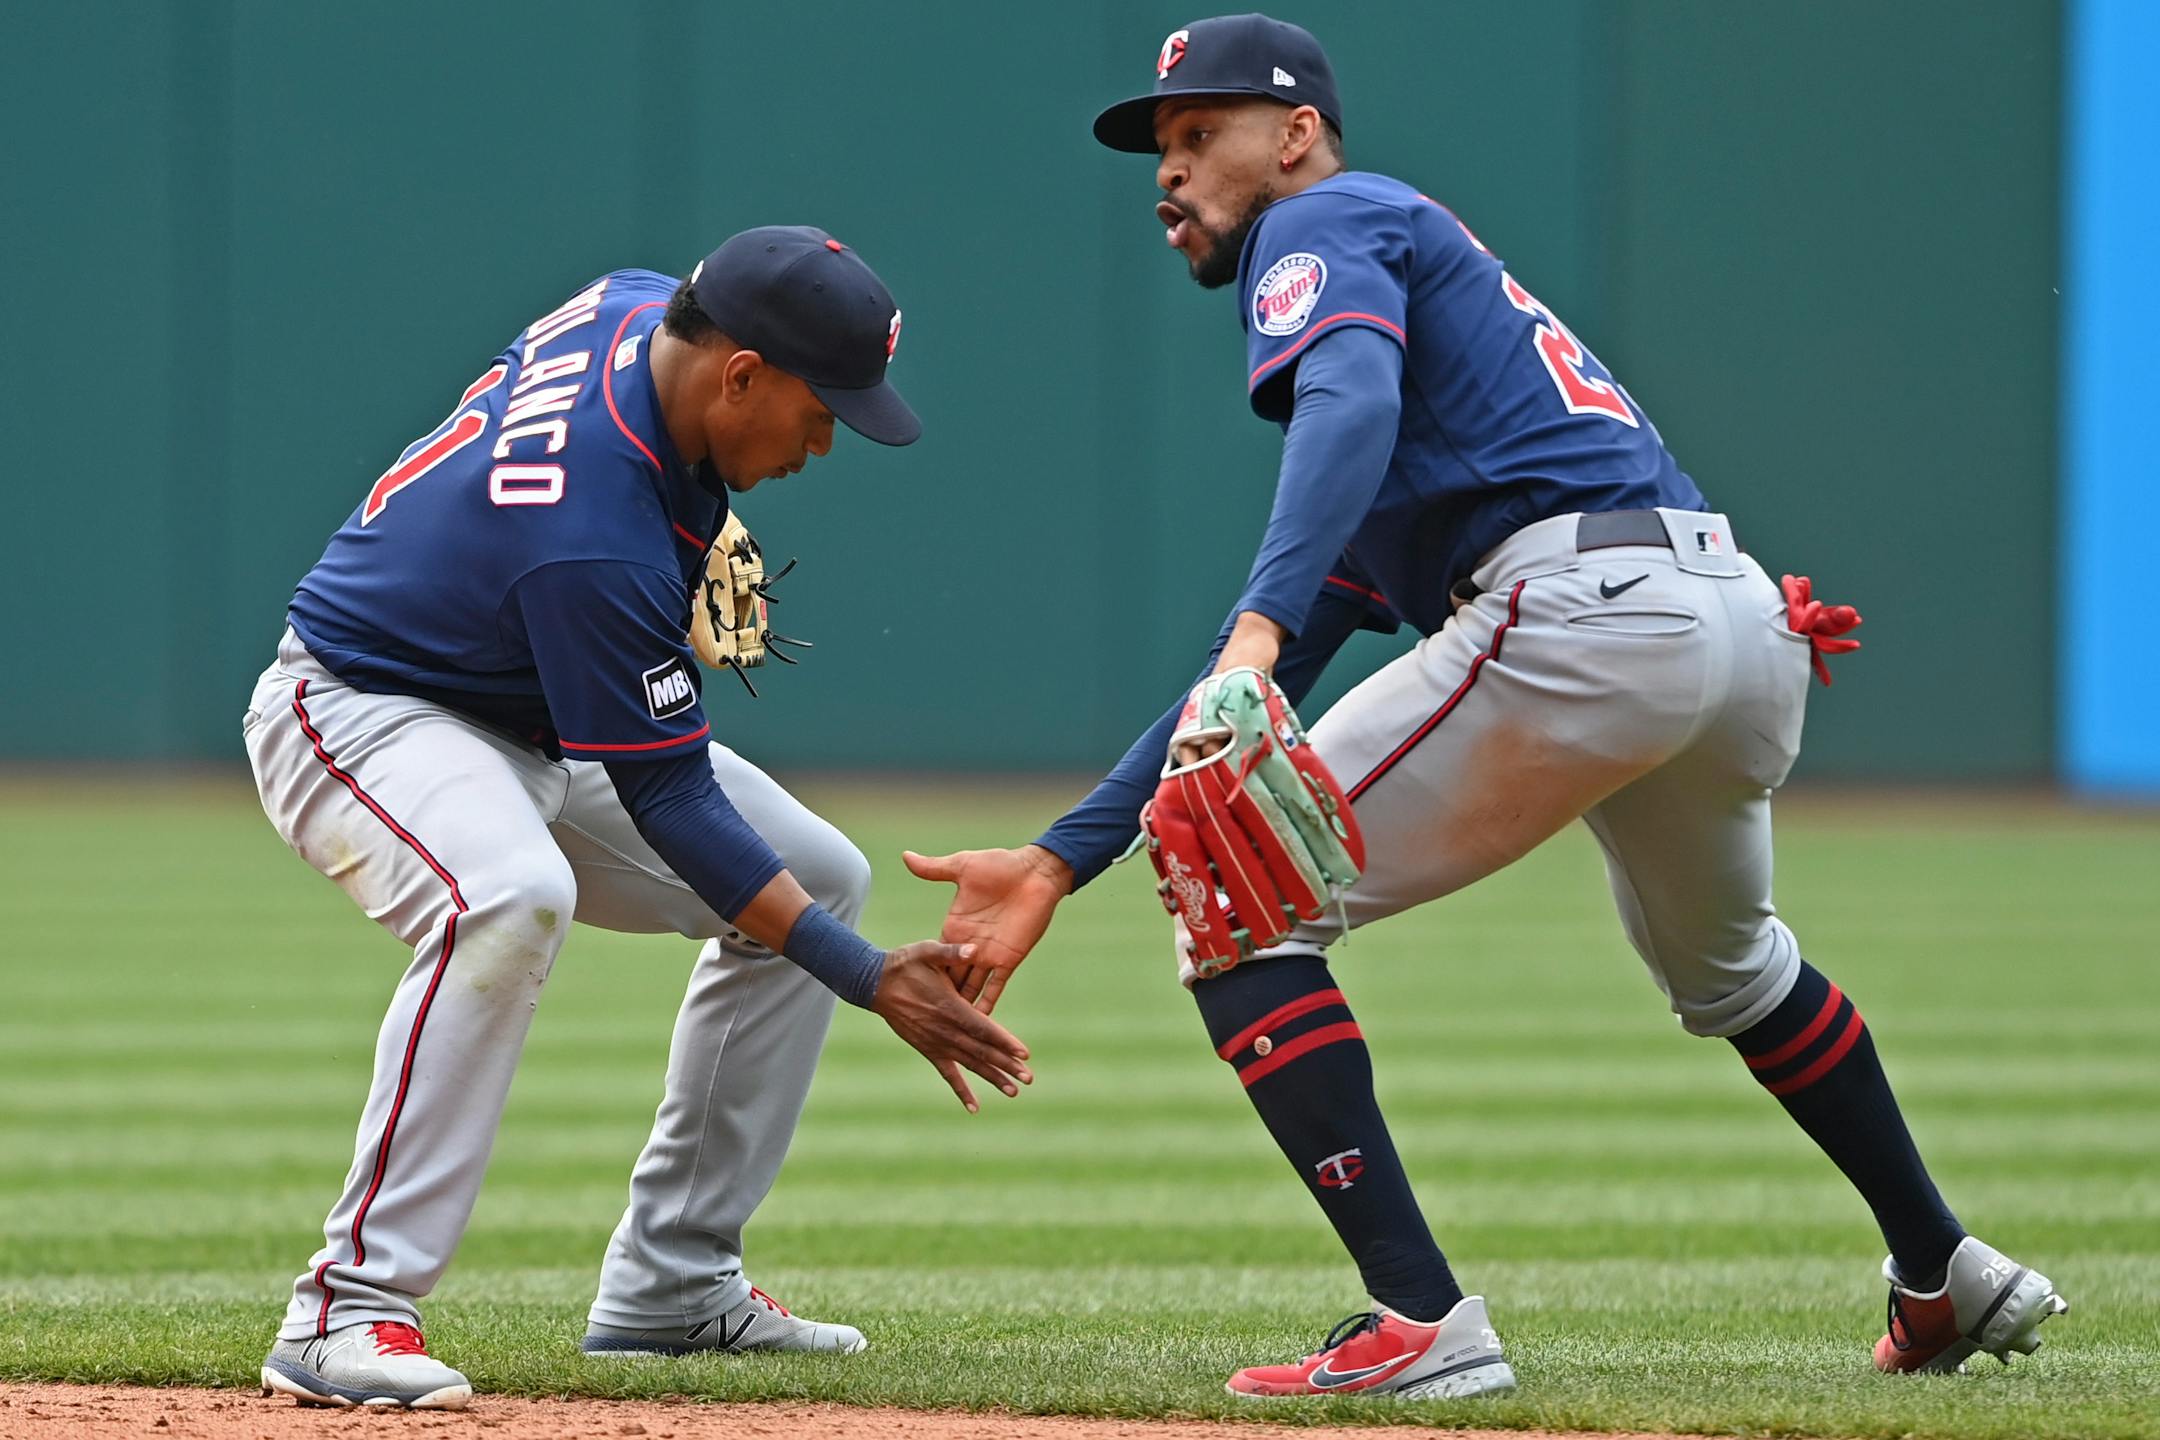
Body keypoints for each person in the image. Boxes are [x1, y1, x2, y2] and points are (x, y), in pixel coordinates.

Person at [905, 15, 2065, 1400]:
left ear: (1293, 135)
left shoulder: (1323, 219)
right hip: (1730, 618)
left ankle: (1420, 1321)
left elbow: (1336, 412)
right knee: (1739, 971)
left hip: (1585, 618)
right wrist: (1056, 859)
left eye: (1197, 135)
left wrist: (1258, 639)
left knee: (1240, 905)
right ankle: (1944, 1271)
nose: (1171, 173)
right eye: (1161, 148)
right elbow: (1297, 609)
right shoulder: (1421, 336)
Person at [243, 227, 1030, 1410]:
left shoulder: (649, 305)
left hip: (534, 704)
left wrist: (683, 513)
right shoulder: (592, 539)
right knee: (508, 898)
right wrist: (866, 978)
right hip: (364, 708)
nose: (828, 440)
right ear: (743, 374)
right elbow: (670, 799)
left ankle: (674, 1283)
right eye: (824, 408)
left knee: (814, 875)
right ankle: (346, 1309)